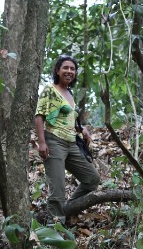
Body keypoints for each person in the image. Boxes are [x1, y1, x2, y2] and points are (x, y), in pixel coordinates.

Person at [32, 55, 102, 223]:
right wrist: (42, 142)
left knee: (92, 179)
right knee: (57, 191)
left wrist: (82, 129)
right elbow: (39, 116)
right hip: (53, 141)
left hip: (71, 142)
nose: (69, 71)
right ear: (57, 70)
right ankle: (55, 231)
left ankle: (68, 209)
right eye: (65, 68)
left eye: (72, 69)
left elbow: (68, 119)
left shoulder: (69, 93)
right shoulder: (50, 90)